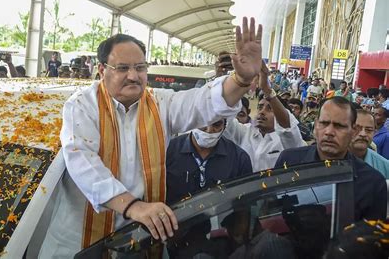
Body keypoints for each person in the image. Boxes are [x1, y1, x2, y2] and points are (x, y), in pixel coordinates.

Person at [39, 17, 265, 257]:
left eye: (140, 67)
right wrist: (133, 206)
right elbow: (82, 161)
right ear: (102, 69)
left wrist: (240, 80)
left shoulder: (159, 102)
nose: (134, 76)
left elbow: (203, 102)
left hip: (138, 241)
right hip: (79, 242)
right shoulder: (82, 105)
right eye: (123, 68)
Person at [275, 97, 387, 221]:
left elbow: (369, 237)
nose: (329, 132)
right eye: (324, 123)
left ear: (353, 131)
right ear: (316, 125)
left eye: (339, 126)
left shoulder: (372, 183)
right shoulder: (288, 161)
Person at [223, 64, 305, 172]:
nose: (262, 112)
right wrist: (227, 77)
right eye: (260, 107)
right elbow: (224, 119)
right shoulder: (245, 132)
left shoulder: (289, 141)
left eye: (269, 109)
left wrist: (267, 89)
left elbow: (287, 127)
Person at [166, 119, 252, 205]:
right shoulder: (167, 151)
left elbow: (243, 207)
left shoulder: (239, 159)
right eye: (202, 122)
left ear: (224, 126)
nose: (209, 130)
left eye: (217, 124)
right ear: (191, 121)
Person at [349, 109, 389, 178]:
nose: (363, 134)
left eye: (369, 130)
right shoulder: (330, 159)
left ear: (374, 133)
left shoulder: (385, 166)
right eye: (356, 128)